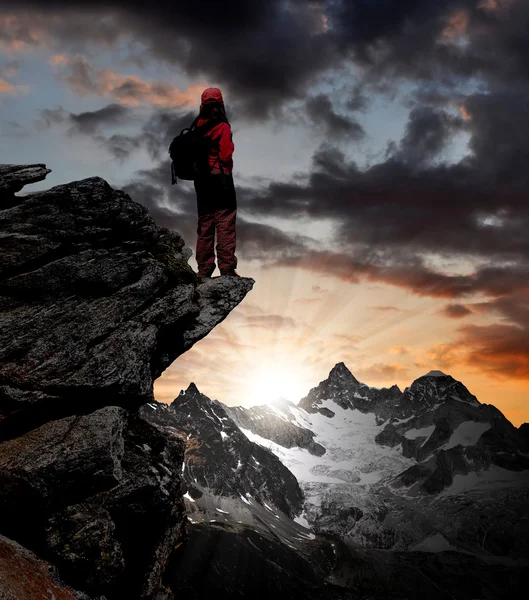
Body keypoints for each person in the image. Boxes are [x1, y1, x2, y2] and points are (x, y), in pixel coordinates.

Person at [193, 87, 239, 279]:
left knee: (205, 224)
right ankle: (226, 268)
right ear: (221, 104)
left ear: (202, 105)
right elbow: (225, 155)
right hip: (221, 180)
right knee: (225, 222)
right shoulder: (222, 127)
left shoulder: (197, 126)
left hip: (202, 182)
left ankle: (204, 270)